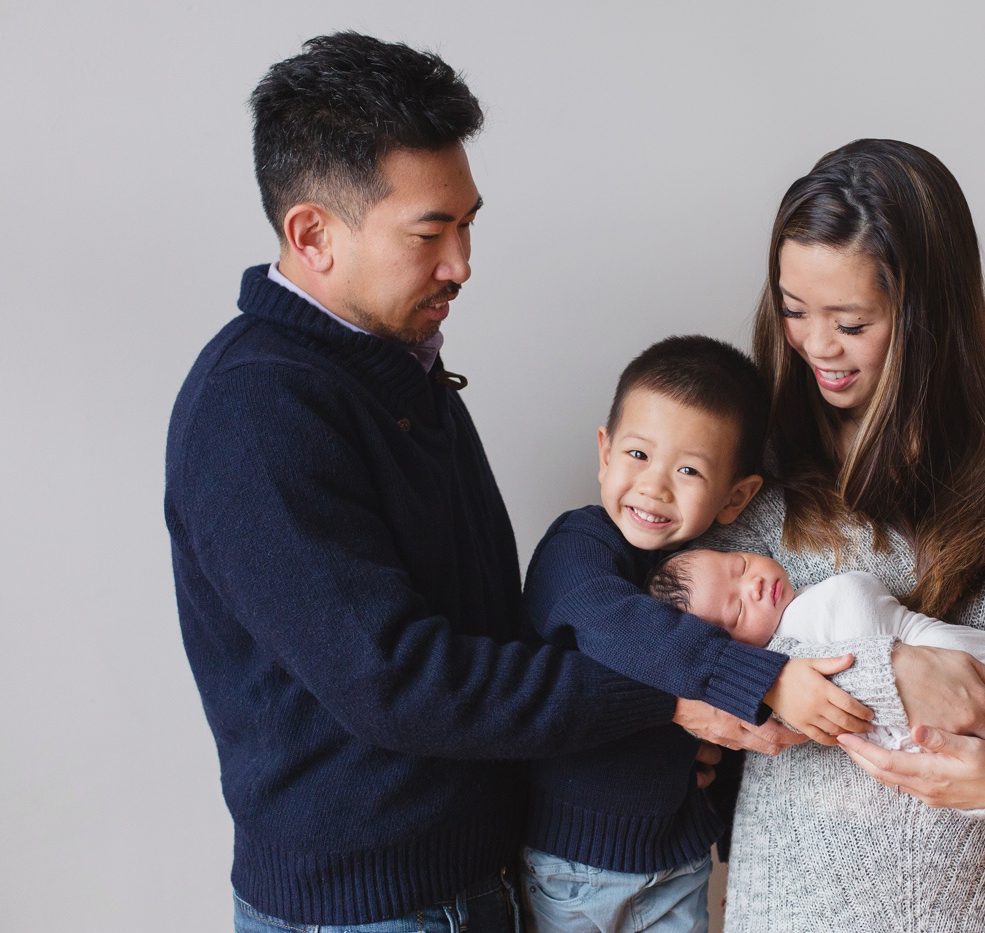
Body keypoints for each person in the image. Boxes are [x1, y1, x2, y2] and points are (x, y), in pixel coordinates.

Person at [164, 33, 767, 933]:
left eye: (468, 221)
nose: (463, 261)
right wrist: (673, 695)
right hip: (372, 910)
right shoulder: (256, 412)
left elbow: (488, 621)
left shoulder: (392, 367)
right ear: (311, 234)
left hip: (473, 877)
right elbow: (401, 680)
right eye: (431, 231)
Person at [697, 138, 985, 931]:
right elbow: (674, 667)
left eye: (851, 320)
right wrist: (886, 669)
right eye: (794, 310)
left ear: (930, 314)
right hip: (792, 909)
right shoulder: (750, 460)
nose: (815, 346)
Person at [520, 335, 874, 933]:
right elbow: (625, 631)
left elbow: (734, 742)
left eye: (687, 470)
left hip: (680, 860)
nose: (655, 486)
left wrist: (745, 863)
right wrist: (768, 681)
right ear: (603, 453)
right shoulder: (577, 549)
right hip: (575, 866)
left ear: (736, 496)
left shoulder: (719, 569)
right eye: (637, 455)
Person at [646, 549, 985, 748]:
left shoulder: (810, 599)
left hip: (980, 671)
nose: (753, 585)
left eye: (741, 565)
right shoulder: (782, 659)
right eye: (737, 609)